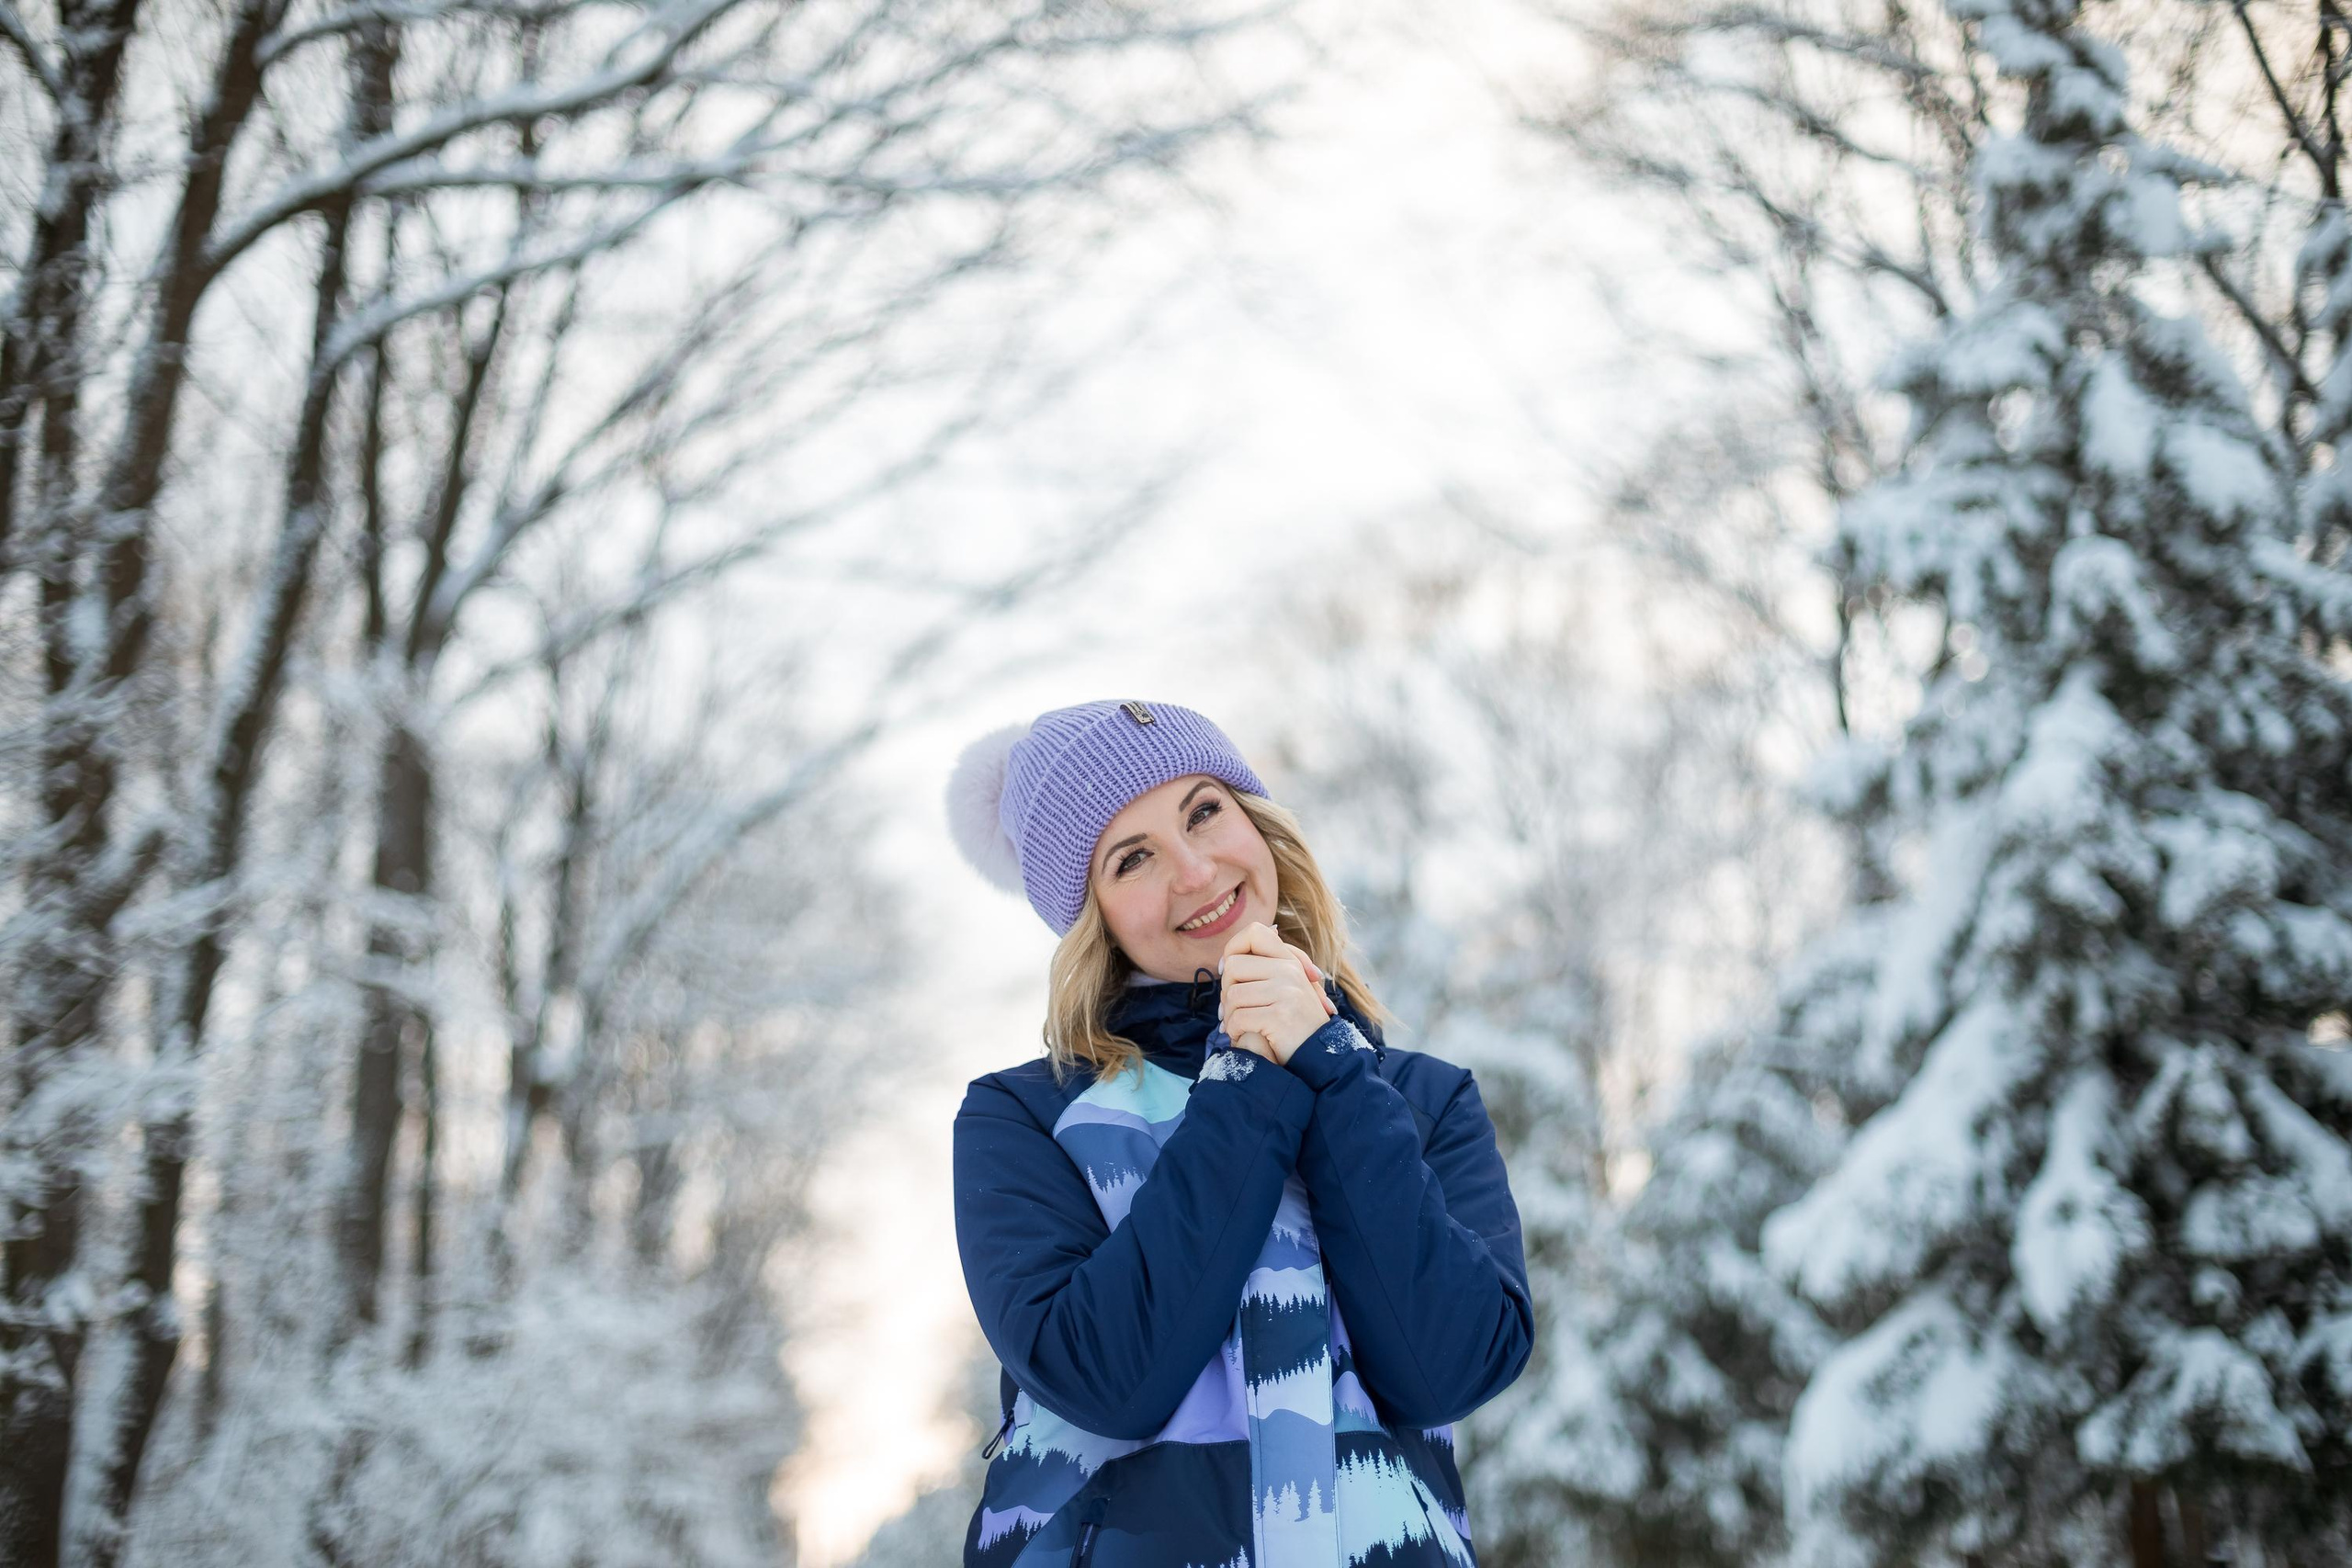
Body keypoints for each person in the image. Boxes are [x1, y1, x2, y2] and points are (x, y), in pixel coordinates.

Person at [945, 697, 1533, 1568]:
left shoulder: (1420, 1099)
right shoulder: (1026, 1118)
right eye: (1132, 857)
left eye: (1205, 810)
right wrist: (1248, 1077)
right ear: (1090, 916)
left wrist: (1330, 1069)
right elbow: (1110, 1379)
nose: (1194, 870)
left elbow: (1447, 1367)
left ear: (1259, 824)